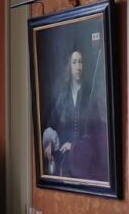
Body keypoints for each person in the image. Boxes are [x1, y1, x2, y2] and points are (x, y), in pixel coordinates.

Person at [42, 47, 107, 180]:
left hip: (85, 162)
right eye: (74, 62)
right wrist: (49, 143)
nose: (78, 67)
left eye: (80, 62)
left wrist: (75, 146)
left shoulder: (91, 94)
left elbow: (97, 134)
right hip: (65, 161)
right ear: (69, 67)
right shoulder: (62, 96)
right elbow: (52, 123)